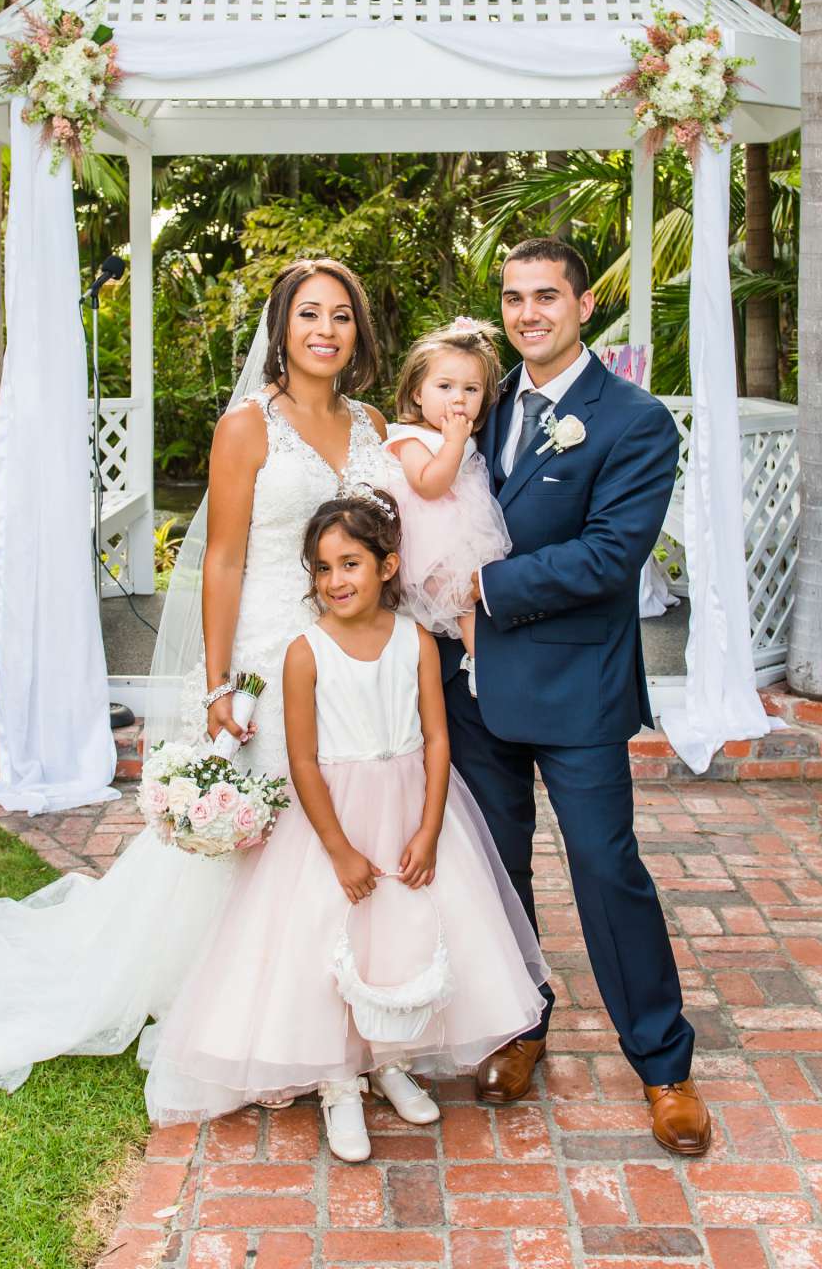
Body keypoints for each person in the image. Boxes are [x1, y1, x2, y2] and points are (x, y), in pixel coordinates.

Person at [0, 260, 398, 1089]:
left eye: (342, 315)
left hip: (357, 656)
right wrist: (218, 688)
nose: (326, 329)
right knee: (268, 828)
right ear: (280, 328)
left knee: (354, 810)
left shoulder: (376, 423)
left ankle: (350, 986)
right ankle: (248, 994)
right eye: (308, 313)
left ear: (359, 332)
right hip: (270, 649)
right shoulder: (248, 427)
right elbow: (223, 560)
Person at [141, 496, 546, 1162]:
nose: (335, 581)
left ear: (388, 566)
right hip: (337, 821)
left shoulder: (416, 642)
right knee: (332, 936)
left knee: (401, 931)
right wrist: (337, 847)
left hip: (410, 805)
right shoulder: (306, 653)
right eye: (322, 568)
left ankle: (388, 1059)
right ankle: (337, 1081)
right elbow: (302, 759)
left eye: (350, 563)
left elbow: (439, 741)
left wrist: (428, 827)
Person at [448, 237, 714, 1156]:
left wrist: (480, 585)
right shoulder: (478, 408)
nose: (529, 313)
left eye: (547, 296)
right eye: (515, 297)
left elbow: (611, 556)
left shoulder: (634, 421)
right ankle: (521, 1025)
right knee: (497, 870)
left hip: (576, 686)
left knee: (607, 870)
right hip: (474, 689)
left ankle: (664, 1067)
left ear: (585, 303)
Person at [382, 320, 512, 692]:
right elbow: (428, 485)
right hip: (428, 544)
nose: (458, 399)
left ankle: (482, 662)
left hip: (464, 537)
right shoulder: (408, 438)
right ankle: (480, 666)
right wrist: (455, 443)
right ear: (417, 392)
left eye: (471, 389)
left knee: (473, 601)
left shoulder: (466, 435)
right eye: (445, 387)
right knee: (458, 603)